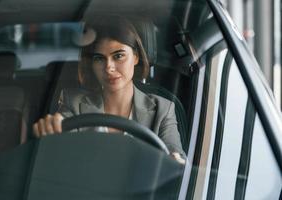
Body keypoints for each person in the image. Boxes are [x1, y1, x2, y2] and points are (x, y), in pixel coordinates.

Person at [33, 16, 186, 164]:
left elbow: (175, 154)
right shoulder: (74, 102)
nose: (108, 68)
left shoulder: (163, 109)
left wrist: (175, 160)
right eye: (99, 58)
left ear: (136, 57)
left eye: (118, 56)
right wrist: (53, 131)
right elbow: (61, 148)